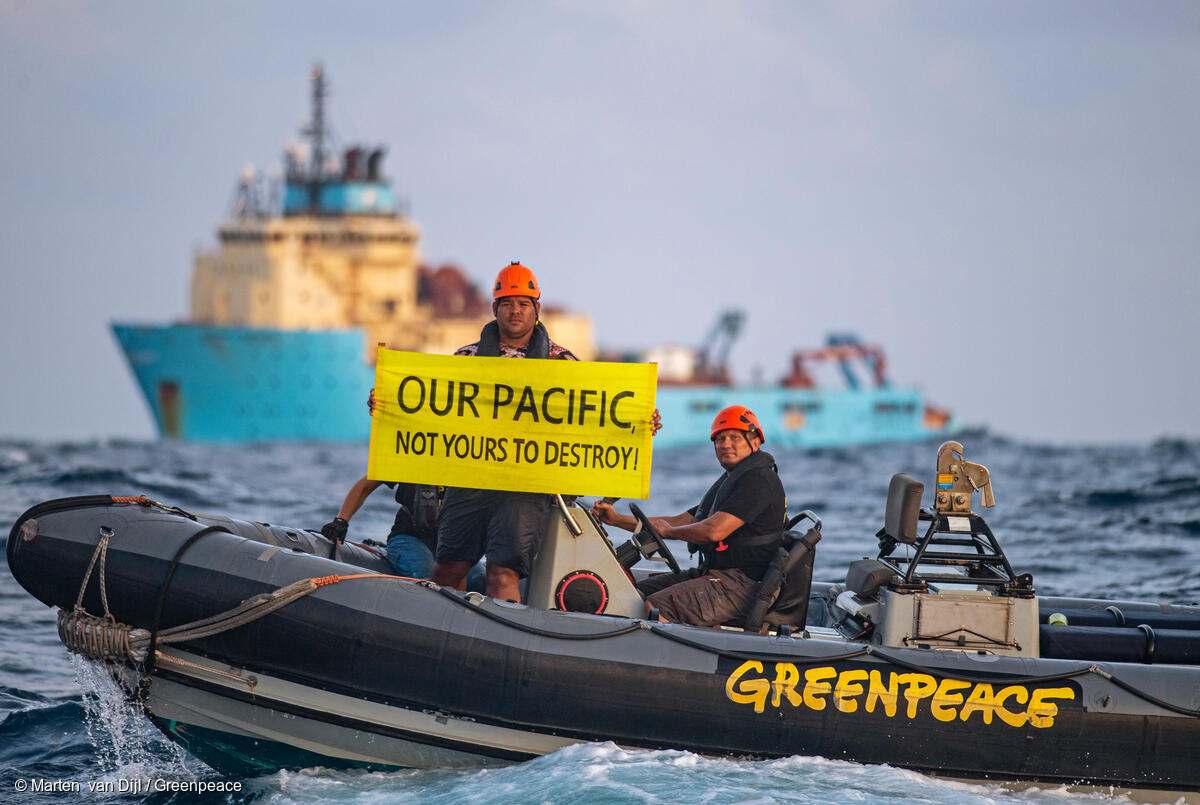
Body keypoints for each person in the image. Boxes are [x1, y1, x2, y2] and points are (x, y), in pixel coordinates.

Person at [432, 262, 580, 601]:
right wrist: (387, 403)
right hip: (471, 477)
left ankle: (500, 643)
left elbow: (593, 420)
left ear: (536, 310)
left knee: (502, 572)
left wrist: (640, 423)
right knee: (448, 569)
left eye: (524, 304)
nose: (515, 311)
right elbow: (433, 411)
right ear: (494, 307)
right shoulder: (465, 359)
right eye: (508, 303)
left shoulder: (564, 365)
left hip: (526, 482)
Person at [591, 405, 786, 627]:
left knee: (658, 607)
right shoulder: (731, 481)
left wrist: (669, 532)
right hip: (719, 575)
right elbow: (679, 521)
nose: (726, 444)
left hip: (744, 585)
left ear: (755, 441)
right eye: (720, 439)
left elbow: (713, 531)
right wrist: (617, 520)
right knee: (630, 594)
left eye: (735, 437)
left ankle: (660, 660)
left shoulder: (758, 481)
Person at [320, 478, 440, 577]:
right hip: (409, 536)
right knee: (422, 572)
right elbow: (366, 486)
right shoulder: (410, 455)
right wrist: (341, 521)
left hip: (450, 540)